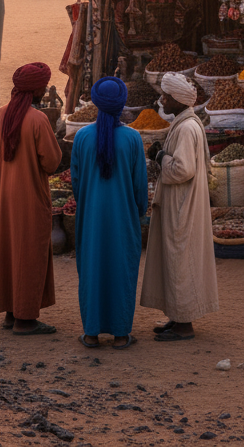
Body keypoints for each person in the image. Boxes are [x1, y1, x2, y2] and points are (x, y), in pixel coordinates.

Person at [140, 71, 218, 341]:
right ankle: (176, 317)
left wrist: (160, 156)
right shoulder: (185, 122)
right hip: (179, 203)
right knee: (175, 259)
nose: (162, 100)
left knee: (180, 259)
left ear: (178, 100)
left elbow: (182, 169)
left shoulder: (186, 127)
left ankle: (184, 324)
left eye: (166, 96)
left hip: (182, 205)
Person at [71, 76, 148, 349]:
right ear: (122, 105)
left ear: (96, 103)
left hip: (90, 217)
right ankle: (120, 335)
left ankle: (91, 333)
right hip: (123, 217)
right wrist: (140, 211)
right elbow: (140, 185)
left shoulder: (81, 137)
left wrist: (89, 203)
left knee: (92, 269)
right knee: (121, 269)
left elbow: (77, 183)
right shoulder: (132, 138)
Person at [0, 62, 63, 335]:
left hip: (6, 197)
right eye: (44, 86)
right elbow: (52, 162)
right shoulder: (38, 120)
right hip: (31, 197)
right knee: (30, 253)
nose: (46, 90)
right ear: (36, 90)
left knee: (10, 251)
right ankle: (25, 319)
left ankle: (11, 312)